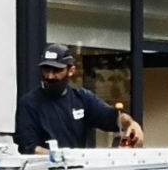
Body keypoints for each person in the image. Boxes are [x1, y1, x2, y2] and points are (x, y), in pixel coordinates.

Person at [14, 45, 143, 153]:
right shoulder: (29, 103)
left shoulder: (82, 98)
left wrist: (130, 124)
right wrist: (60, 158)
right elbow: (28, 147)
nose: (50, 76)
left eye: (57, 70)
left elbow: (110, 116)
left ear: (71, 71)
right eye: (46, 69)